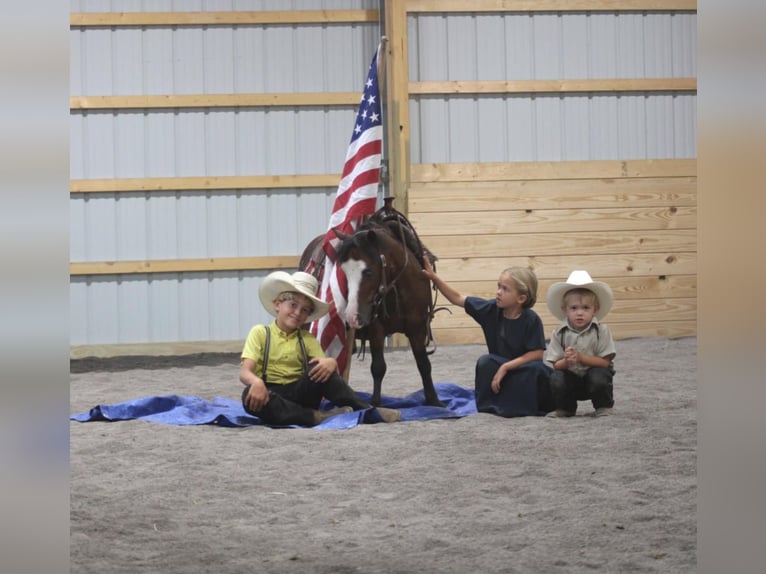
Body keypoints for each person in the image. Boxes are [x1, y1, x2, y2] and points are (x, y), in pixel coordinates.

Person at [240, 270, 401, 426]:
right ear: (277, 304)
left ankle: (367, 410)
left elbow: (325, 371)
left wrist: (331, 362)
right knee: (248, 396)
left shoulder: (307, 339)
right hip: (271, 393)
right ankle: (317, 416)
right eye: (293, 305)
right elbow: (245, 372)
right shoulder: (260, 333)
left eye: (304, 310)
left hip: (302, 393)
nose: (297, 312)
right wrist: (256, 382)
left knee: (322, 368)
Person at [422, 260, 553, 417]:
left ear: (521, 298)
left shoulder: (531, 319)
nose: (498, 292)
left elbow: (537, 355)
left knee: (538, 370)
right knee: (485, 362)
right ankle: (491, 406)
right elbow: (457, 298)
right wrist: (434, 277)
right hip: (498, 367)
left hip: (522, 370)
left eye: (505, 289)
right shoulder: (490, 309)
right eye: (499, 286)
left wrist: (506, 367)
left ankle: (522, 406)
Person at [544, 270, 616, 418]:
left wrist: (581, 358)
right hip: (571, 379)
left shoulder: (601, 331)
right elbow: (556, 365)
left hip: (594, 376)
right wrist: (567, 361)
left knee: (599, 376)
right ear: (565, 310)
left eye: (586, 308)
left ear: (595, 310)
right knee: (556, 377)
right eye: (574, 308)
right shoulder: (559, 333)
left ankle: (603, 405)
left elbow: (604, 363)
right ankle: (566, 408)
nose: (579, 313)